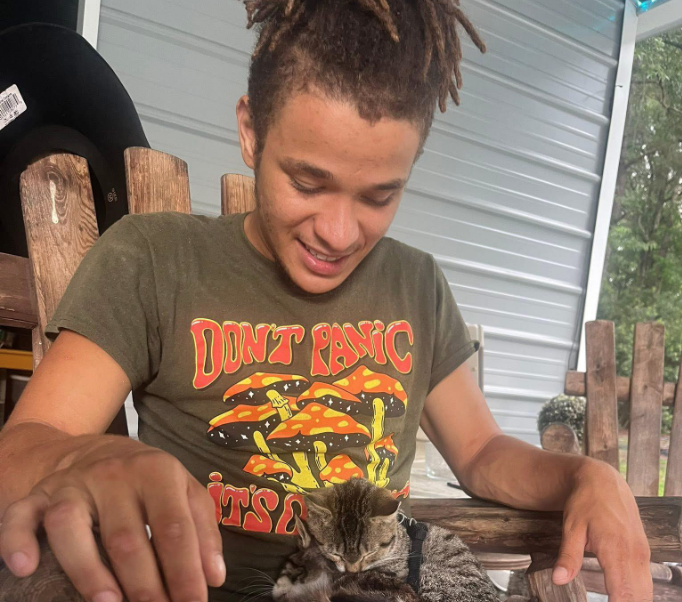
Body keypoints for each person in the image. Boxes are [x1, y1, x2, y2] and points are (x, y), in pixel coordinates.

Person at [0, 1, 652, 602]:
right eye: (308, 182)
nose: (339, 234)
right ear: (251, 132)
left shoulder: (415, 285)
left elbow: (481, 453)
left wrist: (585, 477)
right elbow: (24, 447)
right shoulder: (154, 260)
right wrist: (83, 457)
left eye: (379, 196)